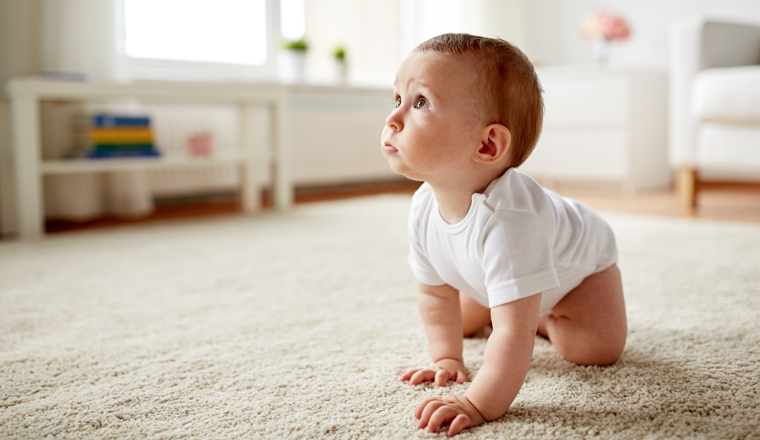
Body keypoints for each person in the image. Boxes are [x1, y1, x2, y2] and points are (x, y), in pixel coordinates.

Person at [381, 33, 627, 437]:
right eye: (397, 100)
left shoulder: (512, 224)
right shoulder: (423, 206)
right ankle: (517, 301)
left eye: (420, 102)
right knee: (458, 324)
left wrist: (476, 402)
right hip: (490, 273)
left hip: (582, 270)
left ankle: (542, 316)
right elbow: (435, 292)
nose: (393, 118)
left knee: (593, 350)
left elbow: (512, 337)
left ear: (488, 143)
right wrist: (446, 358)